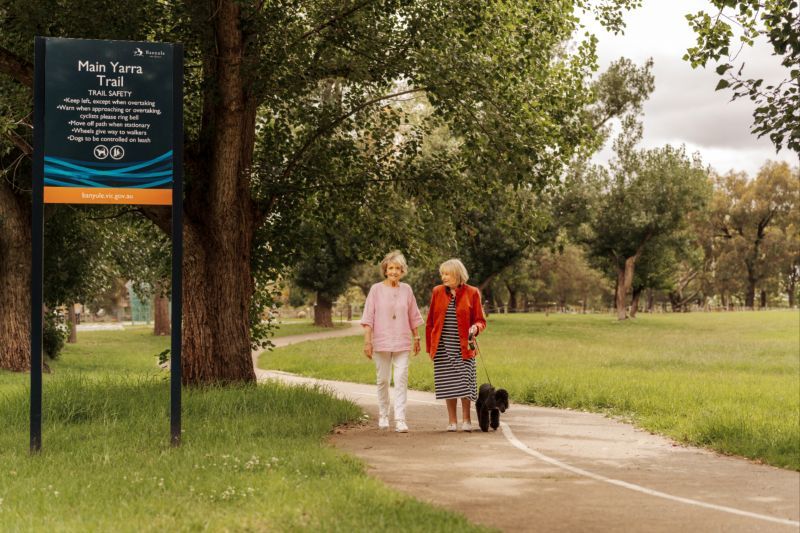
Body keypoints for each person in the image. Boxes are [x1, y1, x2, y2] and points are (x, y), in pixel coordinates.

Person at [361, 251, 424, 433]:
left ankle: (400, 418)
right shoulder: (376, 290)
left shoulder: (407, 290)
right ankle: (383, 415)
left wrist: (417, 337)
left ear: (402, 271)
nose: (394, 272)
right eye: (391, 268)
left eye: (397, 268)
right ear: (385, 270)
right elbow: (368, 318)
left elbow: (413, 315)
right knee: (383, 380)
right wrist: (368, 342)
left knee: (401, 379)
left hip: (402, 341)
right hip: (381, 341)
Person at [425, 259, 486, 432]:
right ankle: (452, 421)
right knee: (448, 384)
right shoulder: (437, 292)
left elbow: (481, 320)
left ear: (457, 274)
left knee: (465, 384)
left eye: (447, 274)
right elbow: (430, 322)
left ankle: (467, 419)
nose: (443, 277)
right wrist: (431, 348)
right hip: (443, 347)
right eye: (442, 274)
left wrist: (476, 328)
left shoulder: (472, 292)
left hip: (464, 347)